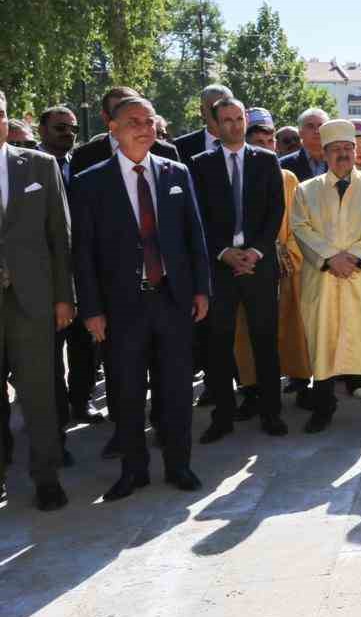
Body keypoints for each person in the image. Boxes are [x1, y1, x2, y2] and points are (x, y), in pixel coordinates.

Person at [71, 96, 210, 500]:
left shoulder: (176, 173)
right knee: (127, 391)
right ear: (112, 128)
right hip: (121, 307)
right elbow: (84, 253)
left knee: (177, 389)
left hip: (173, 300)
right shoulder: (90, 181)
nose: (145, 128)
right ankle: (133, 471)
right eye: (134, 121)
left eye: (149, 120)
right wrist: (92, 309)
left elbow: (194, 238)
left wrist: (201, 289)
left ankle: (179, 465)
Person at [289, 119, 361, 431]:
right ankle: (323, 407)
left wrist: (354, 257)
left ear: (356, 151)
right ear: (324, 153)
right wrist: (329, 257)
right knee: (324, 341)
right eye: (335, 149)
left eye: (347, 148)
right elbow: (300, 227)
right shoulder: (306, 190)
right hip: (323, 279)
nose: (343, 154)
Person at [191, 97, 288, 442]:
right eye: (226, 120)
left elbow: (275, 210)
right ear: (215, 125)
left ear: (245, 120)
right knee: (219, 344)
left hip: (259, 267)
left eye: (238, 119)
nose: (233, 125)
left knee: (265, 341)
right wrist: (224, 253)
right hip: (220, 268)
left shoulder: (266, 160)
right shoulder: (199, 165)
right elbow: (197, 216)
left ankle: (271, 412)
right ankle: (222, 416)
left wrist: (257, 252)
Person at [0, 89, 75, 511]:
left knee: (40, 393)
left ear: (7, 120)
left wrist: (65, 298)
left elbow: (59, 240)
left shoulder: (39, 166)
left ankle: (47, 477)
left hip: (35, 300)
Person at [235, 111, 312, 396]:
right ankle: (253, 388)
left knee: (293, 324)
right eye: (258, 141)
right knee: (247, 329)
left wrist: (286, 253)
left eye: (270, 141)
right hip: (247, 266)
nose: (266, 147)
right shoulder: (236, 174)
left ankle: (300, 380)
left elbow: (298, 223)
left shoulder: (287, 177)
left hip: (285, 264)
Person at [37, 105, 101, 426]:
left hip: (81, 270)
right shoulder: (29, 167)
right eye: (61, 128)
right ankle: (56, 409)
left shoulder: (82, 167)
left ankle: (81, 401)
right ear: (42, 130)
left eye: (73, 129)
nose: (68, 134)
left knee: (84, 343)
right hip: (44, 274)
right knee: (50, 348)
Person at [69, 86, 180, 175]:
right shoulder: (84, 156)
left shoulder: (166, 152)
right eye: (121, 111)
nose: (140, 126)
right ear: (106, 118)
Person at [173, 83, 234, 164]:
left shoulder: (249, 142)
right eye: (215, 108)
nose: (221, 114)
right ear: (203, 111)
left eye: (227, 107)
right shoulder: (180, 146)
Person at [280, 108, 329, 181]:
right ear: (300, 133)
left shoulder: (339, 161)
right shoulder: (283, 165)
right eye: (310, 126)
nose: (317, 131)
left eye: (320, 126)